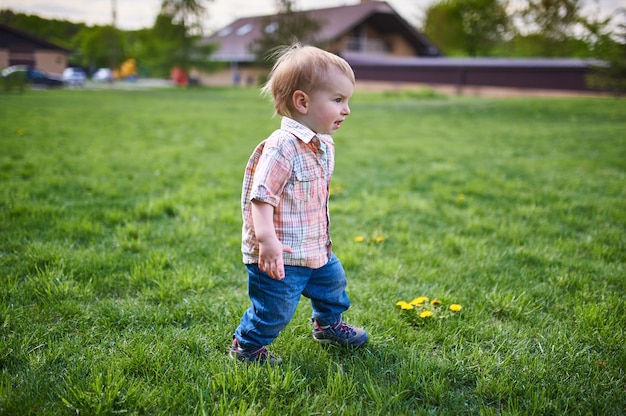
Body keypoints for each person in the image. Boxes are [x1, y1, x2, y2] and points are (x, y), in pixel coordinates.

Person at [229, 43, 368, 366]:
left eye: (347, 100)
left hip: (316, 247)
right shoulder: (282, 147)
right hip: (281, 254)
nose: (346, 109)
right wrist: (267, 242)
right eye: (338, 100)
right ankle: (247, 346)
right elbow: (261, 198)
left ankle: (328, 325)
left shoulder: (322, 144)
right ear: (302, 102)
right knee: (274, 310)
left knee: (333, 286)